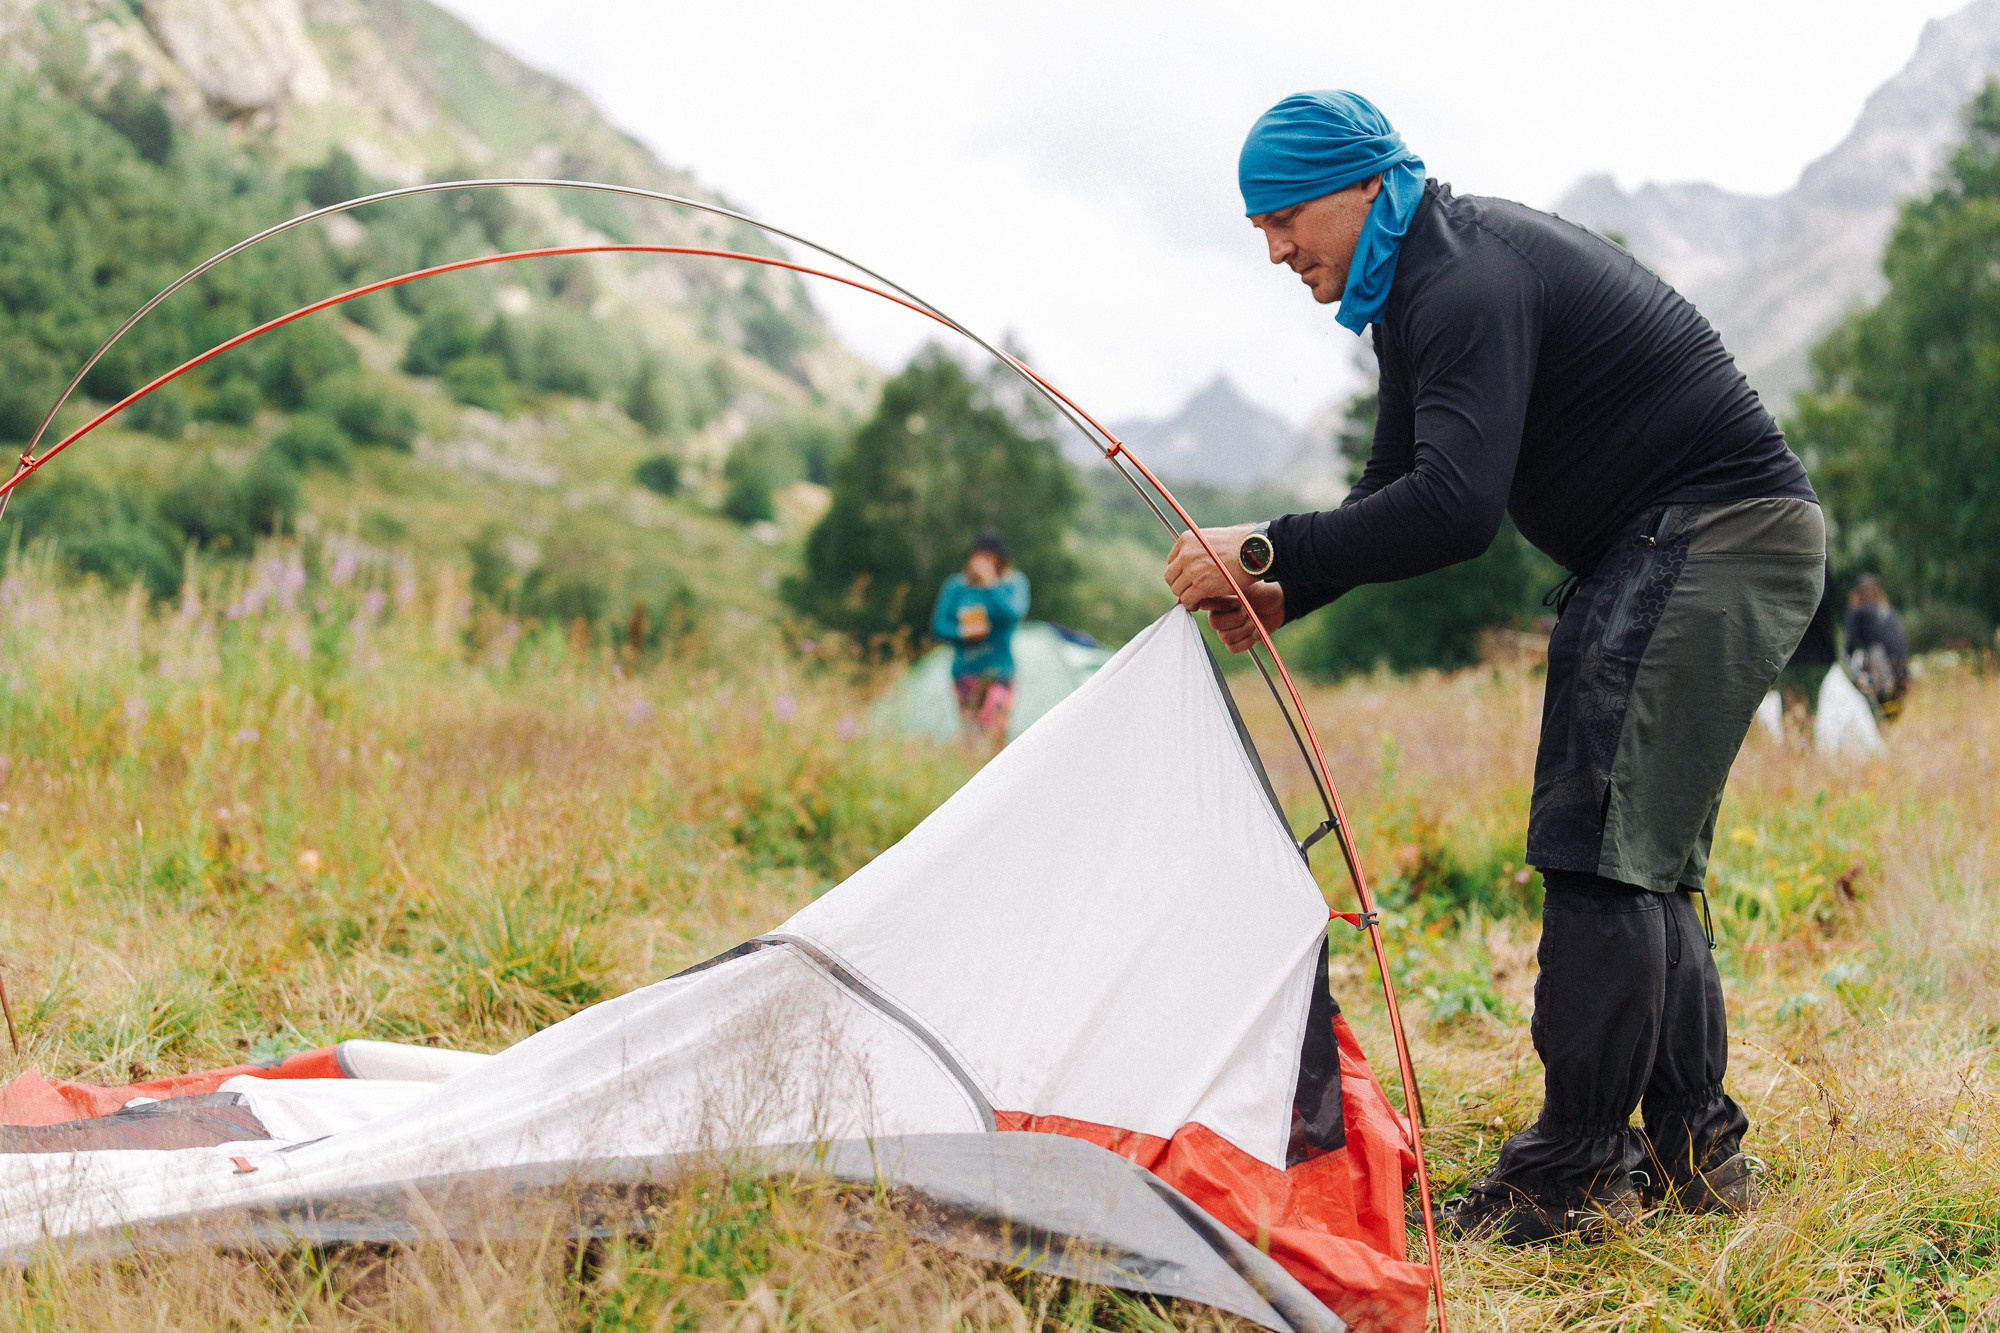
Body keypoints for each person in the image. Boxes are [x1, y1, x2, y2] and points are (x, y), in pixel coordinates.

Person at [1162, 90, 1825, 1243]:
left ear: (1364, 185)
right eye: (1254, 227)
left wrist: (1261, 541)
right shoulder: (1419, 286)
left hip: (1709, 533)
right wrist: (1287, 584)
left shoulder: (1462, 280)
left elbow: (1457, 508)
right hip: (1700, 539)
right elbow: (1394, 484)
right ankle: (1686, 1153)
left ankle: (1568, 1177)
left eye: (1283, 218)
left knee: (1599, 845)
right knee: (1640, 856)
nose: (1272, 250)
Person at [931, 530, 1029, 745]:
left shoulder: (1013, 583)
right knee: (972, 733)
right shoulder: (957, 586)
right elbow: (939, 626)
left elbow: (1014, 613)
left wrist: (991, 583)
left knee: (996, 731)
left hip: (999, 671)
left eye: (989, 557)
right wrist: (963, 633)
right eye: (980, 556)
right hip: (966, 671)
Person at [1844, 574, 1909, 715]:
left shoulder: (1856, 612)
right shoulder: (1891, 611)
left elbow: (1849, 646)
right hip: (1901, 675)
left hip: (1880, 678)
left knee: (1855, 659)